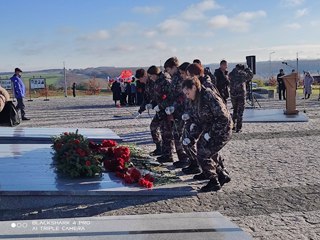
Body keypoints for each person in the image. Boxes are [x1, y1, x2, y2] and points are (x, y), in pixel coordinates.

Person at [181, 76, 233, 192]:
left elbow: (223, 118)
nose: (187, 96)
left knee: (203, 152)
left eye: (188, 93)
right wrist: (191, 137)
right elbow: (197, 121)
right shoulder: (194, 100)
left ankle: (213, 181)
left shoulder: (208, 96)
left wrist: (210, 134)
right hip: (210, 130)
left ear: (194, 87)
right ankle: (222, 174)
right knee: (207, 149)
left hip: (222, 129)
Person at [164, 57, 189, 168]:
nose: (168, 72)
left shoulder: (180, 77)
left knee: (179, 134)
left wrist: (174, 106)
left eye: (169, 69)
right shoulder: (175, 77)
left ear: (174, 67)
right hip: (176, 110)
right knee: (176, 134)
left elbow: (182, 96)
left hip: (182, 110)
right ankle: (182, 158)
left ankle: (185, 158)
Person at [147, 65, 174, 163]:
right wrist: (152, 104)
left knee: (166, 133)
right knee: (155, 127)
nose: (150, 78)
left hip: (166, 111)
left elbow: (170, 97)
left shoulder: (166, 81)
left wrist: (161, 105)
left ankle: (168, 155)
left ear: (155, 74)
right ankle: (160, 149)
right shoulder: (157, 82)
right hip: (160, 110)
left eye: (151, 76)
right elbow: (157, 97)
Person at [133, 68, 163, 156]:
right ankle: (159, 148)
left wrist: (157, 105)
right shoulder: (147, 85)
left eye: (141, 79)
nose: (140, 81)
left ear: (145, 76)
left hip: (163, 108)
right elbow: (146, 99)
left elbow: (161, 96)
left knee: (165, 131)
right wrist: (140, 111)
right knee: (154, 127)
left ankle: (166, 152)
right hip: (158, 109)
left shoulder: (154, 82)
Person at [229, 64, 253, 133]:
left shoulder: (231, 74)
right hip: (241, 95)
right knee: (240, 112)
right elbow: (250, 76)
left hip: (233, 94)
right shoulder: (243, 74)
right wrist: (247, 69)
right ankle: (238, 128)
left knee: (235, 110)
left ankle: (232, 126)